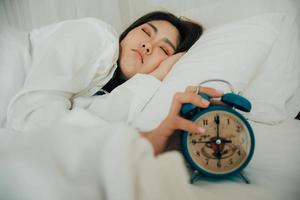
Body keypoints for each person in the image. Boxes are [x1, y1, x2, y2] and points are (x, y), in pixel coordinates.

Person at [6, 11, 222, 156]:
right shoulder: (98, 37)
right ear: (127, 33)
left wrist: (157, 76)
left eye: (163, 50)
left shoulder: (101, 89)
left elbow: (93, 121)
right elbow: (31, 116)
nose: (148, 45)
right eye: (146, 32)